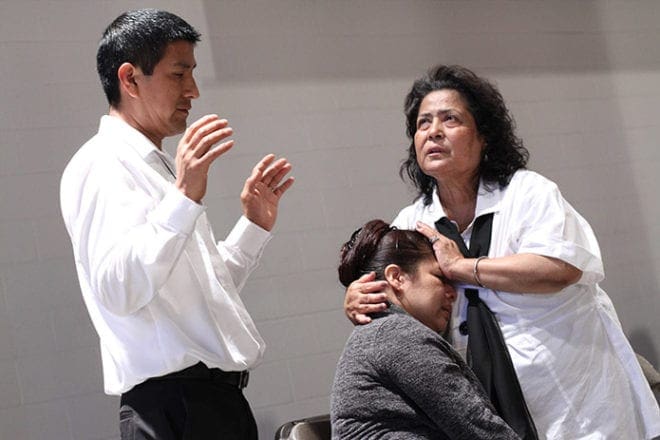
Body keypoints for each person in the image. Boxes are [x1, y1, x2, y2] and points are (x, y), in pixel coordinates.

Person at [344, 65, 660, 439]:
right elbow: (398, 301)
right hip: (486, 410)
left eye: (450, 119)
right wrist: (359, 300)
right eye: (423, 123)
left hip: (578, 401)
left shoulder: (527, 192)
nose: (434, 132)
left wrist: (462, 268)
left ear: (484, 137)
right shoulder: (413, 221)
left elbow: (560, 267)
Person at [60, 9, 293, 439]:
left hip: (209, 404)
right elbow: (118, 288)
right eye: (178, 75)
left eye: (192, 74)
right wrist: (184, 197)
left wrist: (254, 226)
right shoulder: (101, 164)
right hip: (172, 408)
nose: (194, 91)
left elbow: (202, 294)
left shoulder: (156, 166)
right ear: (129, 79)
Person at [332, 220, 521, 439]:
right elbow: (476, 426)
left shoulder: (381, 333)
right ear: (397, 277)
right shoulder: (396, 334)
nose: (453, 293)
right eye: (440, 277)